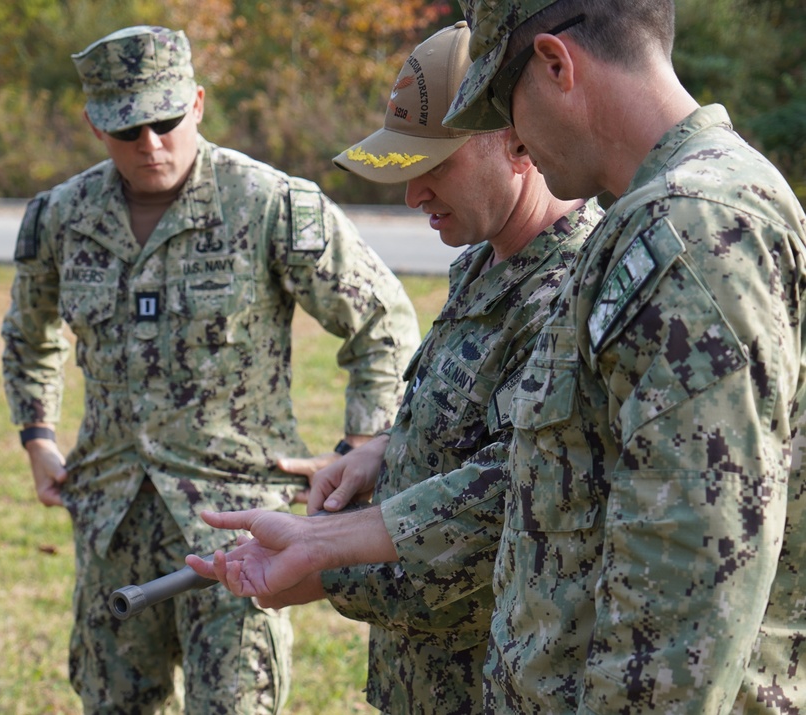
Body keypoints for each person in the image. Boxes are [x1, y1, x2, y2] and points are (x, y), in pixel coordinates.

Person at [189, 0, 806, 712]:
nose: (512, 131)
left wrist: (329, 556)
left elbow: (690, 574)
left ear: (555, 63)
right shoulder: (669, 218)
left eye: (503, 103)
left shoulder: (687, 228)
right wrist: (334, 531)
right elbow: (553, 476)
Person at [0, 25, 421, 715]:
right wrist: (36, 435)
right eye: (127, 129)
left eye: (165, 122)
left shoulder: (269, 204)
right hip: (111, 515)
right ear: (95, 125)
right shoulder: (60, 217)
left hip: (234, 525)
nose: (151, 144)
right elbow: (27, 333)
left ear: (196, 103)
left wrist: (360, 444)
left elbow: (382, 321)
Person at [191, 20, 601, 714]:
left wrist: (321, 564)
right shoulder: (483, 262)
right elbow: (477, 426)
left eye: (433, 166)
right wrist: (385, 450)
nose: (412, 196)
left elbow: (517, 514)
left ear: (517, 139)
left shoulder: (569, 292)